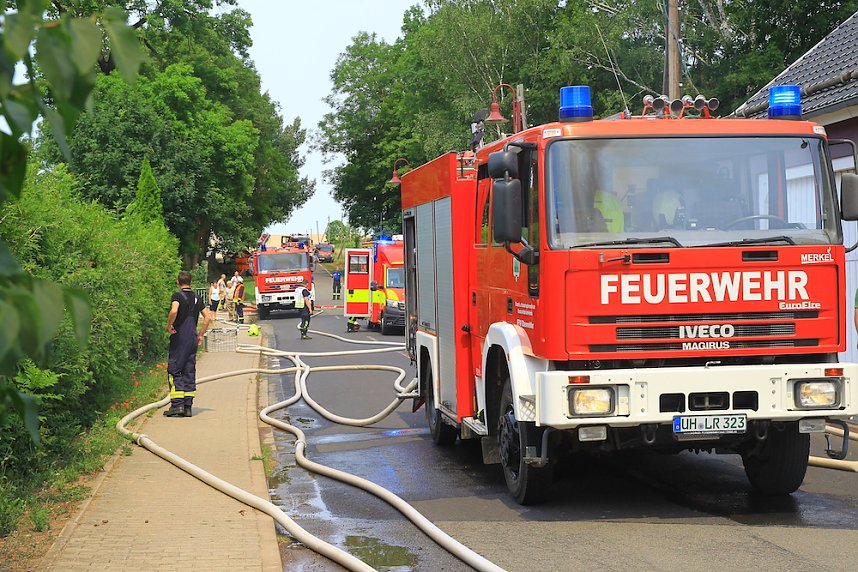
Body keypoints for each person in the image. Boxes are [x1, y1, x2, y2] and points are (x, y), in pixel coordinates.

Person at [165, 270, 213, 417]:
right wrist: (200, 334)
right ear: (191, 283)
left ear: (178, 282)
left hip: (180, 337)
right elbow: (207, 317)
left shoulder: (177, 296)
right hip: (192, 337)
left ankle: (177, 406)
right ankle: (187, 407)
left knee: (175, 369)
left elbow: (174, 311)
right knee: (189, 371)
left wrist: (169, 325)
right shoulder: (197, 298)